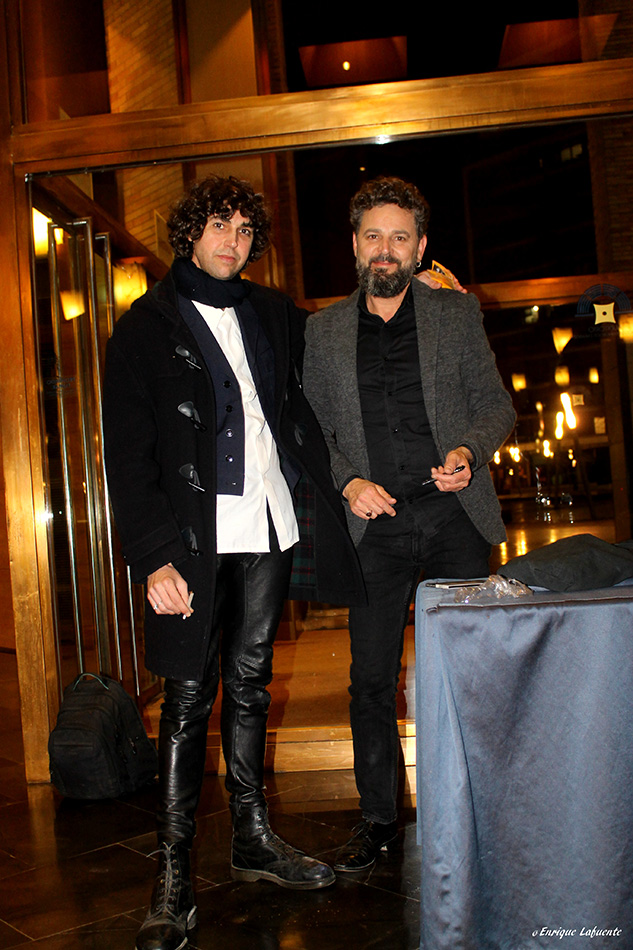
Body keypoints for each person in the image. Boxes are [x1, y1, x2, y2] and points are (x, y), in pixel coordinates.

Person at [102, 175, 364, 950]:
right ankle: (171, 874)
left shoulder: (273, 312)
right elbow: (128, 454)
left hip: (267, 521)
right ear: (190, 232)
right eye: (220, 225)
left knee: (250, 683)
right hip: (190, 538)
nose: (233, 242)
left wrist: (420, 290)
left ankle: (251, 839)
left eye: (246, 231)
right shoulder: (143, 327)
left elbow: (336, 344)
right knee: (188, 697)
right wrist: (153, 556)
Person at [302, 176, 516, 873]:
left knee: (475, 675)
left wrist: (467, 452)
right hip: (375, 528)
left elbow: (495, 406)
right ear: (355, 245)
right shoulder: (321, 331)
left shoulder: (455, 313)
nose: (385, 249)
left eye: (400, 237)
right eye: (373, 236)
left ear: (420, 247)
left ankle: (485, 810)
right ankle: (378, 820)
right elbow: (312, 430)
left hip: (454, 516)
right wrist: (347, 481)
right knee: (369, 680)